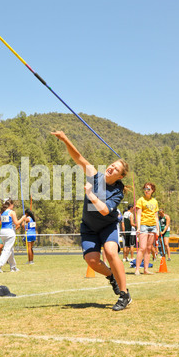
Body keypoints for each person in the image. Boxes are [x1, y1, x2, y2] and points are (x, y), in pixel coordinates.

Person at [52, 130, 131, 311]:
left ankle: (124, 295)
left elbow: (104, 211)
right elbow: (79, 158)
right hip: (88, 227)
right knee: (92, 261)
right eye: (112, 165)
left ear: (120, 176)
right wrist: (65, 139)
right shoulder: (95, 176)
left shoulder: (117, 192)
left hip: (107, 226)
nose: (111, 168)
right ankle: (112, 278)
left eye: (116, 169)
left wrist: (89, 193)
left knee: (111, 253)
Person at [0, 198, 26, 273]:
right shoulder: (12, 212)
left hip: (2, 232)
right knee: (7, 250)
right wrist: (22, 218)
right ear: (10, 205)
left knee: (10, 250)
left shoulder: (1, 213)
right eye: (13, 205)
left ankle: (13, 267)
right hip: (10, 232)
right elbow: (16, 223)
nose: (13, 206)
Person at [135, 183, 160, 275]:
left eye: (148, 189)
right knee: (142, 248)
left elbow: (156, 216)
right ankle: (137, 269)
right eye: (145, 188)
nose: (146, 190)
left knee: (149, 248)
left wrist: (157, 229)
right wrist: (138, 227)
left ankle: (146, 269)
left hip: (153, 226)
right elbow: (138, 214)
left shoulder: (154, 201)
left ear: (152, 190)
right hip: (144, 225)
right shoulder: (140, 200)